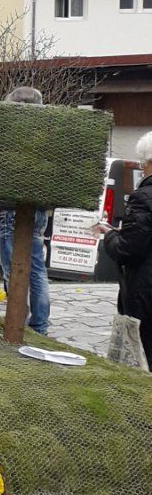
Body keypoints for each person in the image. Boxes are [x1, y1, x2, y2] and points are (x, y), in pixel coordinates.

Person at [0, 85, 51, 336]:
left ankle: (17, 319)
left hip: (12, 211)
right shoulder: (46, 138)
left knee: (13, 269)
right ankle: (39, 324)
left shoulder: (12, 140)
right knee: (37, 268)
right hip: (39, 210)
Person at [99, 129, 152, 366]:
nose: (143, 168)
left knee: (143, 355)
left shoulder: (143, 197)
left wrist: (110, 234)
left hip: (146, 289)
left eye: (144, 163)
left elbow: (128, 249)